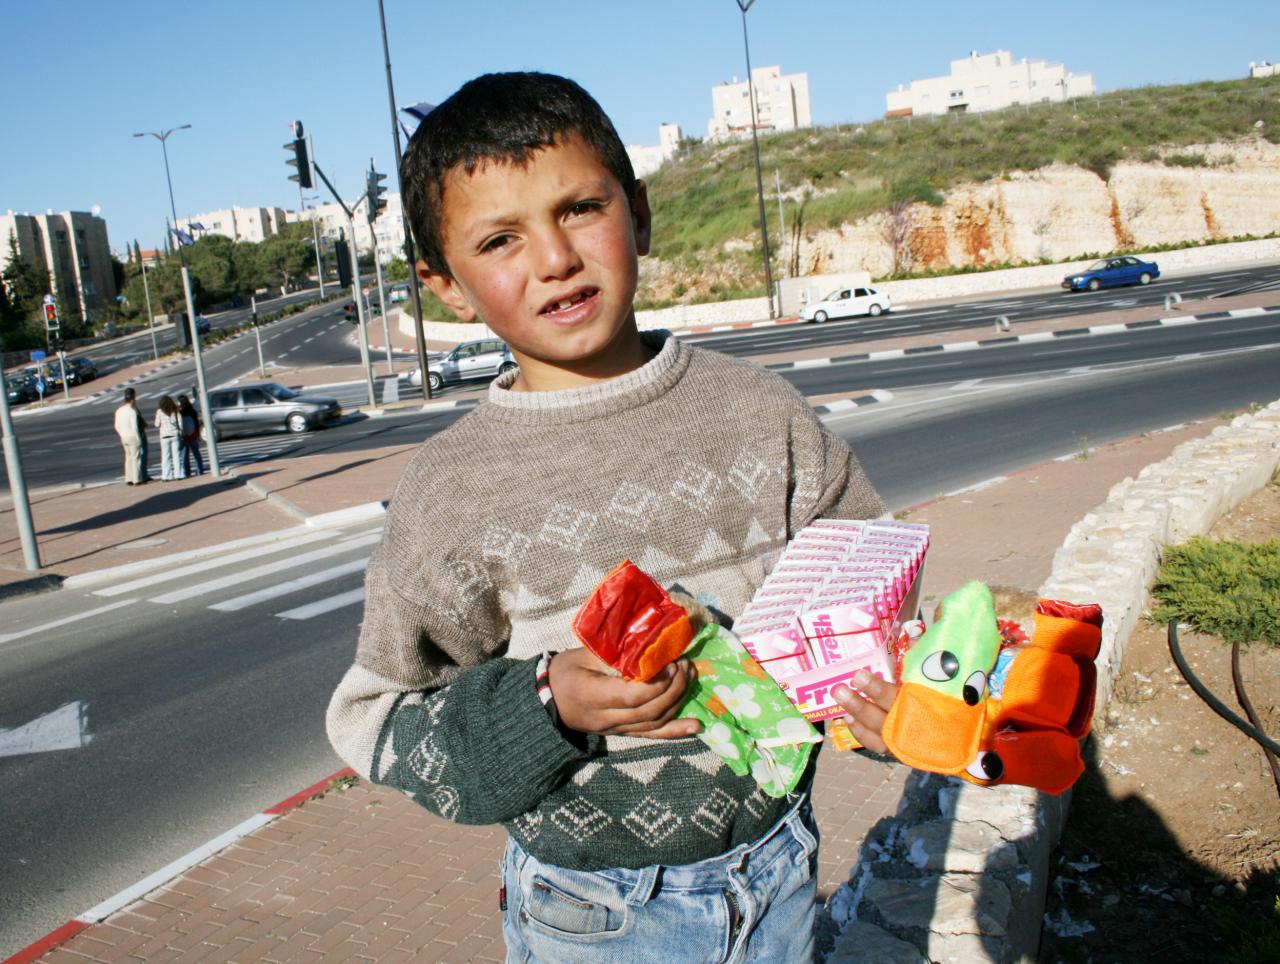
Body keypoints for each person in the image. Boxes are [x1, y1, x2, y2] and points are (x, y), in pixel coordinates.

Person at [325, 72, 897, 962]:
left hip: (782, 872)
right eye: (501, 239)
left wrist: (890, 700)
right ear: (445, 284)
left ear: (639, 212)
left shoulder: (761, 415)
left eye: (581, 208)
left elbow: (868, 602)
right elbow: (378, 719)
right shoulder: (451, 491)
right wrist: (552, 701)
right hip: (592, 915)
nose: (555, 258)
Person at [113, 387, 146, 485]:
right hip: (133, 436)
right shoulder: (132, 412)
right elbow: (135, 427)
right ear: (132, 400)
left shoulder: (119, 411)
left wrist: (121, 434)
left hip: (124, 437)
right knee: (136, 458)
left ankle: (128, 478)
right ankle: (137, 479)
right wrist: (138, 438)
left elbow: (116, 426)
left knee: (128, 457)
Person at [153, 394, 184, 481]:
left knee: (165, 456)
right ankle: (179, 474)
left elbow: (156, 424)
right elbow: (180, 424)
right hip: (175, 435)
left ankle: (166, 476)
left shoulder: (159, 412)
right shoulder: (175, 411)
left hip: (164, 436)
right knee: (176, 456)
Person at [177, 394, 204, 477]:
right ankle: (199, 469)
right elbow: (196, 423)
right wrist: (197, 434)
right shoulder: (192, 411)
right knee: (196, 453)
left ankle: (187, 472)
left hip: (184, 436)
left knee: (185, 455)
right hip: (193, 435)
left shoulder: (180, 412)